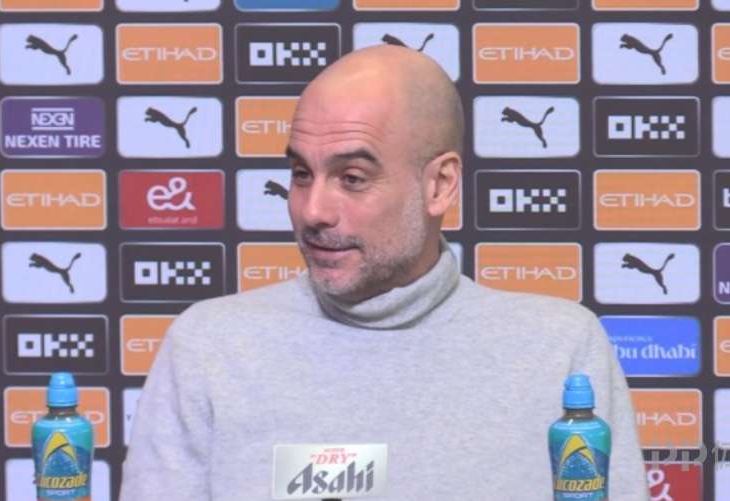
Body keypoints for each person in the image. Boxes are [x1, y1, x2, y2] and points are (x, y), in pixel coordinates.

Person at [120, 45, 650, 500]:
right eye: (301, 174)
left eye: (352, 178)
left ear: (439, 185)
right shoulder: (210, 346)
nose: (312, 211)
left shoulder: (559, 349)